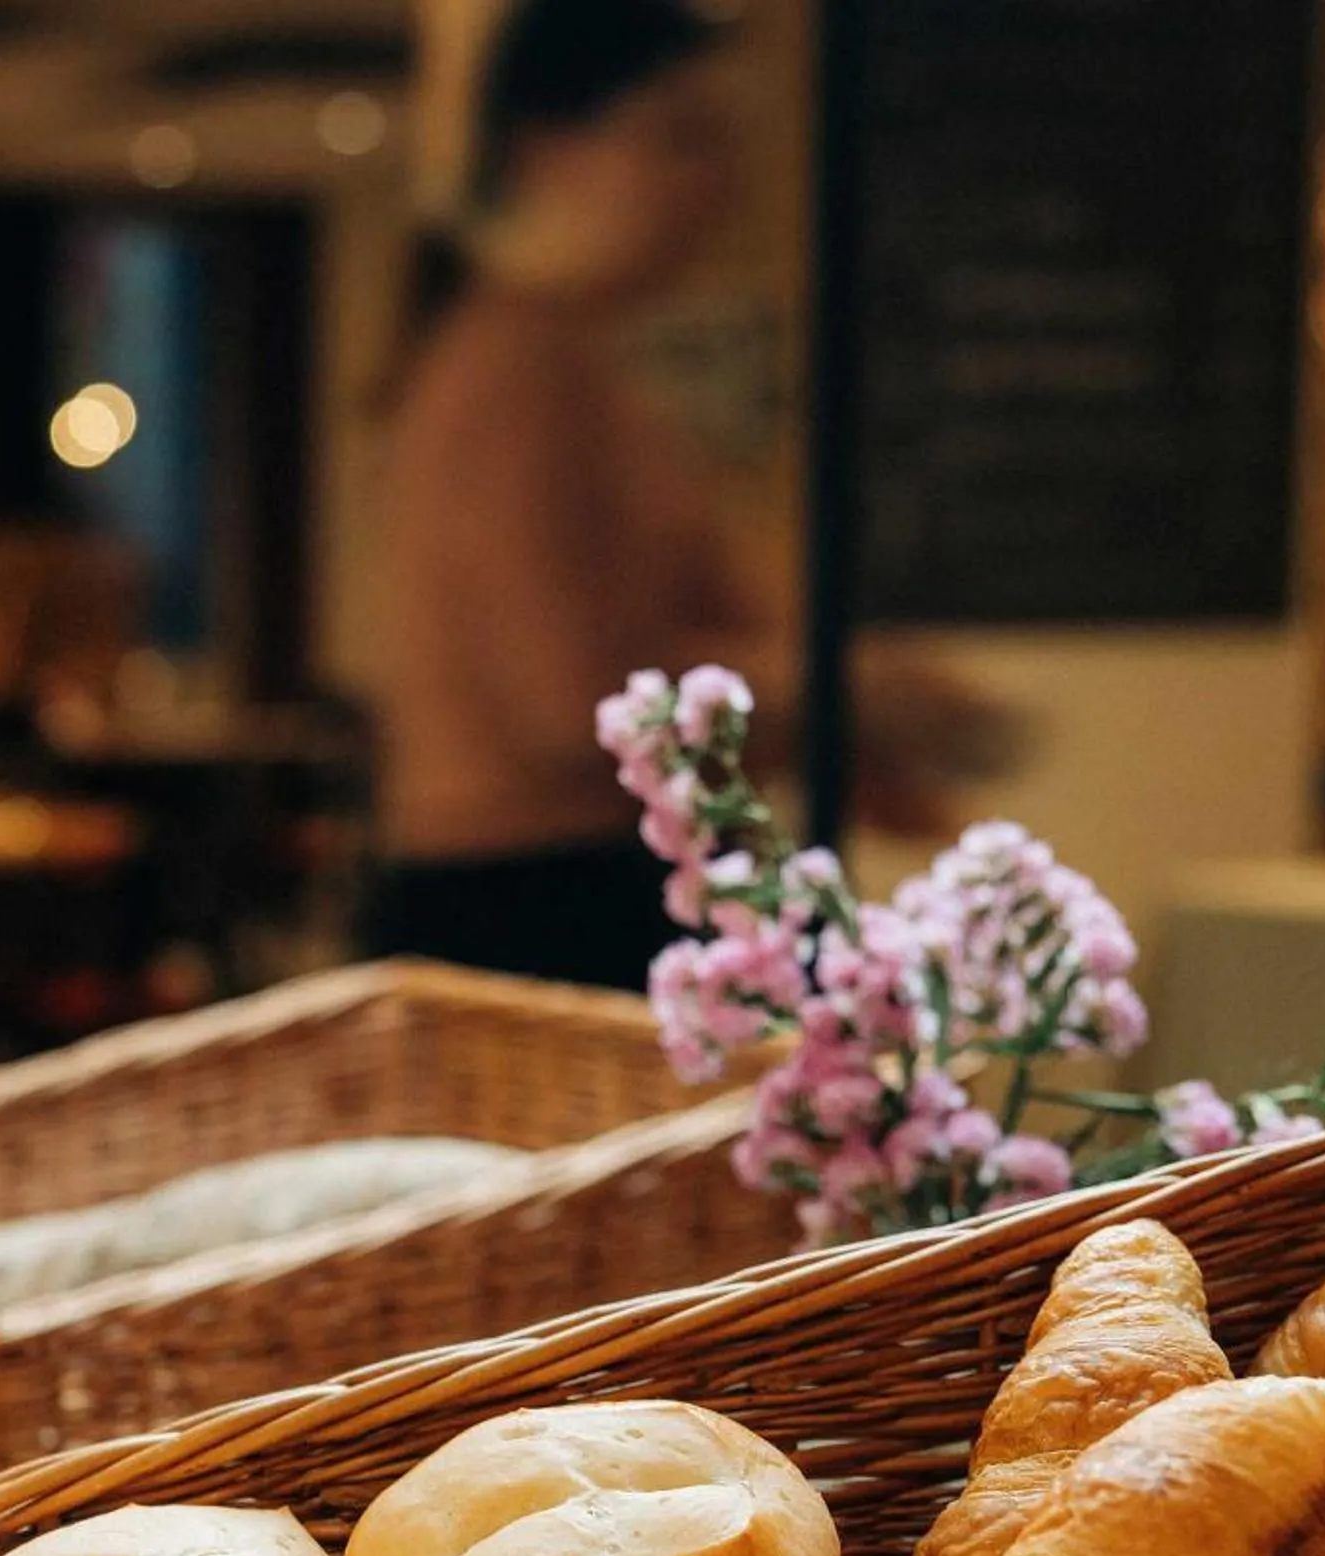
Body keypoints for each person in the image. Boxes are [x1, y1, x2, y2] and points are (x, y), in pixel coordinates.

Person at [370, 0, 997, 987]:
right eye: (678, 140)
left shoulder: (565, 367)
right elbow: (565, 705)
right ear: (546, 151)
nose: (716, 186)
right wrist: (844, 690)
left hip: (560, 891)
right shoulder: (513, 368)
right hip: (527, 908)